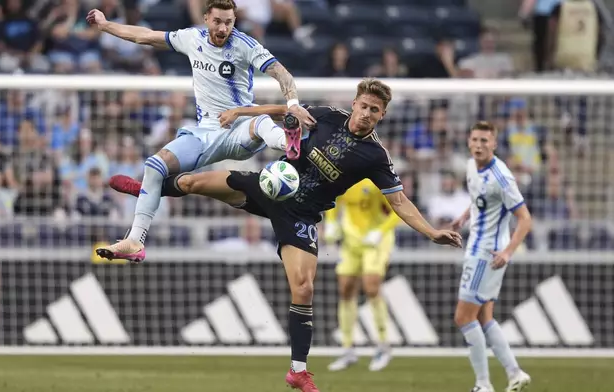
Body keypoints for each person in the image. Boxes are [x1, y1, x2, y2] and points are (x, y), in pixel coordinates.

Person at [101, 79, 463, 392]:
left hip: (301, 214)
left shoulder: (375, 157)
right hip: (269, 186)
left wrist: (431, 232)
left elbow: (398, 201)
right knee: (195, 181)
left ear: (382, 115)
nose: (367, 113)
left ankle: (298, 371)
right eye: (364, 105)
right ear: (354, 104)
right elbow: (285, 111)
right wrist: (243, 114)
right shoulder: (327, 116)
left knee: (304, 288)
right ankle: (147, 189)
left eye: (375, 110)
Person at [86, 0, 315, 262]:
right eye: (217, 21)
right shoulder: (191, 38)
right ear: (206, 18)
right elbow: (144, 37)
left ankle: (290, 143)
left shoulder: (245, 45)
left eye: (229, 22)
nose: (223, 28)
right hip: (206, 131)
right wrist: (105, 25)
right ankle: (135, 241)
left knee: (261, 121)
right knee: (155, 165)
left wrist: (293, 105)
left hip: (240, 129)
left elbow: (282, 74)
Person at [450, 121, 533, 392]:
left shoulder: (502, 177)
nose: (478, 145)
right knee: (484, 317)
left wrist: (509, 252)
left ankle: (483, 385)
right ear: (468, 141)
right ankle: (514, 373)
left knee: (463, 317)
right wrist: (465, 215)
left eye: (485, 141)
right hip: (478, 245)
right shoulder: (471, 165)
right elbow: (479, 199)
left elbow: (524, 219)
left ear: (494, 144)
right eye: (475, 139)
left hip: (487, 253)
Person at [324, 179, 401, 372]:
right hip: (351, 242)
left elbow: (397, 211)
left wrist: (379, 231)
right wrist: (332, 222)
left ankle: (383, 346)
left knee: (371, 286)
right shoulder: (342, 177)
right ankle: (347, 349)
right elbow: (334, 201)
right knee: (345, 289)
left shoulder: (375, 180)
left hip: (375, 240)